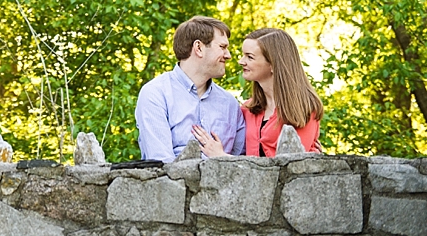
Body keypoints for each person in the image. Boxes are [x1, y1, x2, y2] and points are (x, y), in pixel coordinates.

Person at [192, 28, 323, 157]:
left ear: (273, 64)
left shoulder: (303, 109)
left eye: (250, 57)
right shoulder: (248, 109)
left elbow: (292, 168)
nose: (241, 61)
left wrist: (222, 157)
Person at [135, 15, 246, 162]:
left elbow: (243, 163)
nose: (229, 55)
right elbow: (160, 163)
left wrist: (221, 157)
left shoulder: (230, 104)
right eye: (222, 47)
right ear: (198, 48)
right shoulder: (156, 94)